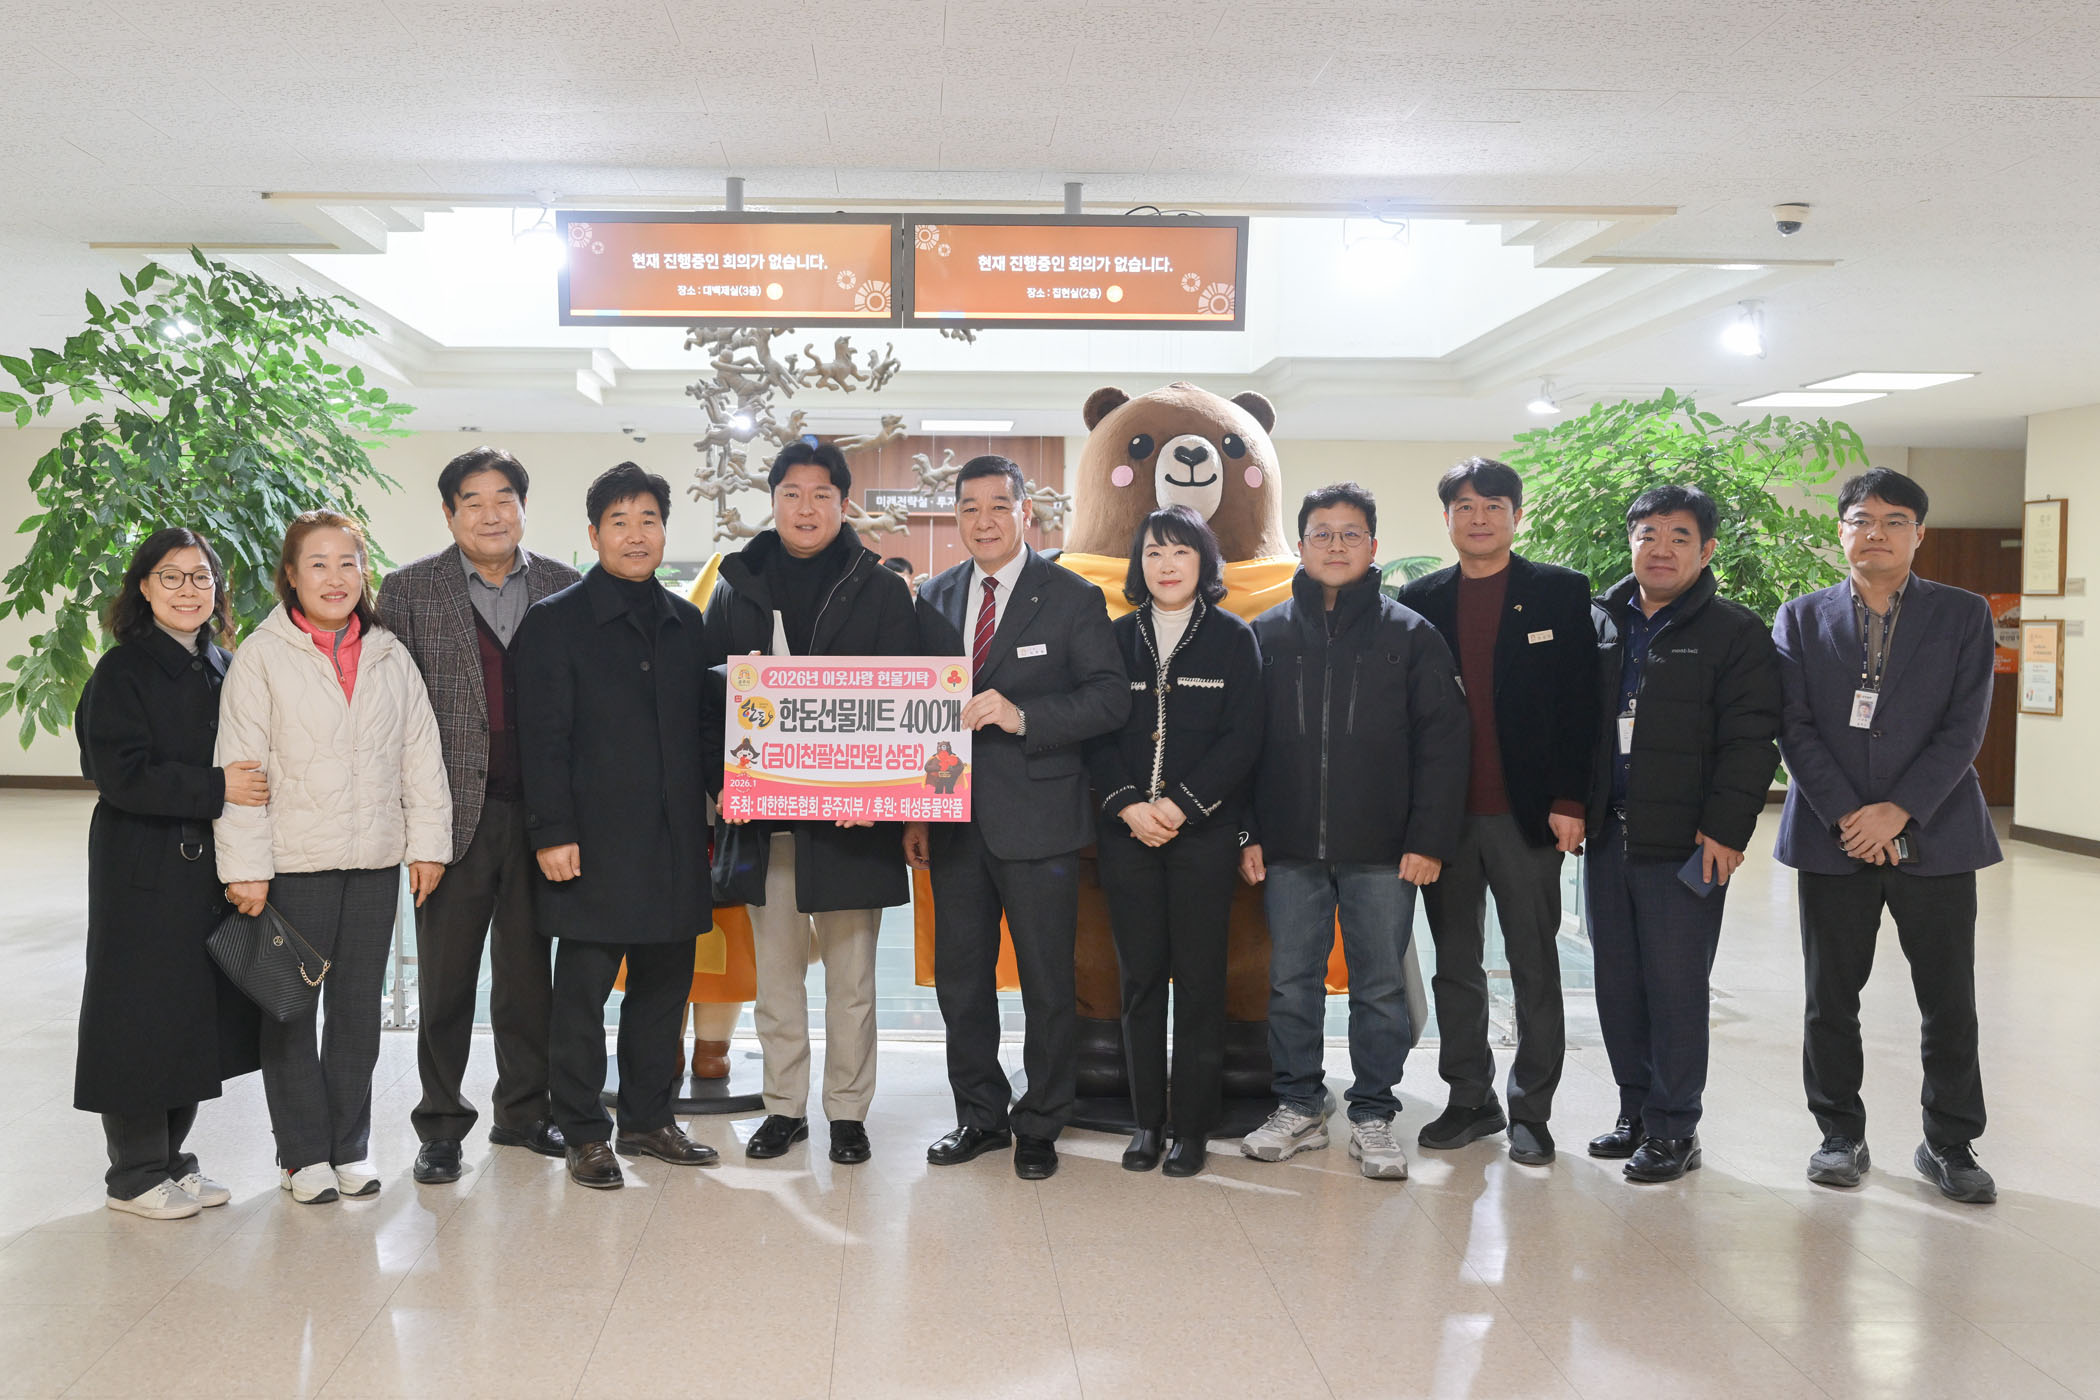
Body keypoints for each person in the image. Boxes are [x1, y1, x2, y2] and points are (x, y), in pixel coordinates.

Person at [1774, 468, 2000, 1203]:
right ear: (1840, 530)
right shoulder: (1799, 618)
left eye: (1894, 520)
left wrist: (1898, 810)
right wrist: (1851, 814)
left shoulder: (1963, 614)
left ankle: (1950, 1143)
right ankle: (1839, 1134)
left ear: (1918, 533)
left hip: (1937, 833)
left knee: (1949, 999)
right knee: (1830, 999)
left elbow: (1964, 727)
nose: (1876, 532)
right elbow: (1794, 727)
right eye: (1861, 519)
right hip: (1831, 837)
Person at [216, 512, 453, 1204]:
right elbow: (240, 765)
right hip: (293, 864)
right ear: (290, 575)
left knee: (356, 1013)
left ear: (364, 573)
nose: (334, 577)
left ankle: (349, 1145)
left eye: (347, 562)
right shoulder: (262, 655)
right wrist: (245, 867)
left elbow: (420, 756)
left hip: (373, 861)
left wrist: (428, 845)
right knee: (290, 1010)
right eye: (317, 564)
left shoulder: (389, 653)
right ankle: (301, 1155)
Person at [905, 454, 1129, 1180]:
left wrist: (1022, 714)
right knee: (961, 981)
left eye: (998, 506)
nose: (984, 521)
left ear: (1025, 512)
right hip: (952, 819)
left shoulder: (1071, 596)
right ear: (956, 517)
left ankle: (1040, 1121)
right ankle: (979, 1116)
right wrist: (915, 809)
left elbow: (1109, 698)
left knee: (1046, 983)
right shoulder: (934, 596)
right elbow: (918, 709)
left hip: (1040, 820)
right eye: (969, 508)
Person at [1239, 482, 1469, 1180]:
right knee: (1291, 982)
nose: (1335, 545)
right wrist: (1248, 832)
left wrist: (1428, 840)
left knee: (1379, 986)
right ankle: (1300, 1105)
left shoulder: (1411, 636)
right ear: (1300, 544)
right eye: (1322, 533)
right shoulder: (1267, 635)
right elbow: (1240, 747)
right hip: (1288, 847)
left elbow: (1444, 745)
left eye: (1349, 534)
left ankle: (1372, 1112)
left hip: (1384, 850)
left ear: (1373, 546)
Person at [700, 441, 917, 1166]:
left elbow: (904, 702)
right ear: (773, 501)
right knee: (778, 979)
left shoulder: (879, 589)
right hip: (767, 823)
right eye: (791, 493)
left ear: (843, 504)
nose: (806, 507)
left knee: (852, 982)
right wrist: (722, 785)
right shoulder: (736, 586)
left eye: (822, 494)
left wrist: (882, 792)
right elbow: (708, 701)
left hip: (854, 823)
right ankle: (784, 1108)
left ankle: (848, 1112)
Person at [377, 447, 581, 1187]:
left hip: (540, 818)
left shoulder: (563, 584)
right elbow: (389, 714)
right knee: (446, 981)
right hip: (449, 819)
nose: (491, 514)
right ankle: (440, 1125)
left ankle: (523, 1112)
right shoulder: (408, 591)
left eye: (504, 499)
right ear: (449, 512)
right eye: (473, 501)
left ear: (523, 508)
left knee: (528, 980)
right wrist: (411, 827)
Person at [513, 463, 720, 1189]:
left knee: (663, 992)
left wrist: (735, 793)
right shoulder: (555, 622)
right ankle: (583, 1132)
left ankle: (647, 1120)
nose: (636, 536)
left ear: (664, 531)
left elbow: (707, 731)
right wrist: (550, 832)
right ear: (594, 532)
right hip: (590, 846)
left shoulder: (686, 622)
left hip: (674, 843)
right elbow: (541, 739)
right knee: (581, 998)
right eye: (620, 522)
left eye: (649, 521)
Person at [1396, 459, 1597, 1166]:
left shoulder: (1559, 592)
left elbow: (1582, 702)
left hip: (1528, 814)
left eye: (1493, 506)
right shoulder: (1421, 598)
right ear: (1447, 518)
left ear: (1517, 515)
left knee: (1534, 962)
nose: (1478, 518)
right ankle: (1469, 1098)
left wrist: (1571, 800)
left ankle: (1532, 1111)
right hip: (1446, 818)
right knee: (1455, 966)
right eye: (1465, 506)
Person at [1584, 484, 1781, 1183]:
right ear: (1630, 542)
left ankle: (1675, 1129)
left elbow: (1751, 741)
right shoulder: (1599, 621)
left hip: (1688, 845)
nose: (1660, 549)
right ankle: (1635, 1113)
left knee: (1675, 990)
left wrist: (1725, 830)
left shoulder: (1735, 632)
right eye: (1648, 534)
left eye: (1679, 536)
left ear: (1707, 549)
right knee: (1618, 985)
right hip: (1608, 836)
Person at [74, 529, 265, 1219]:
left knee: (190, 1017)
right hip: (143, 868)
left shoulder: (225, 664)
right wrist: (216, 787)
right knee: (139, 1017)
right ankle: (133, 1174)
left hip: (208, 868)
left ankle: (171, 1161)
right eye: (171, 576)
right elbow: (118, 774)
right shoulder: (122, 670)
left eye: (201, 576)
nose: (189, 590)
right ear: (144, 587)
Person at [1084, 506, 1262, 1178]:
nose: (1166, 565)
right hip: (1127, 836)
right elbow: (1097, 732)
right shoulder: (1114, 637)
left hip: (1202, 837)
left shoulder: (1233, 638)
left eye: (1181, 552)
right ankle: (1146, 1123)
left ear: (1203, 562)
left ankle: (1191, 1127)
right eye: (1154, 552)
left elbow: (1244, 738)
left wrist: (1180, 806)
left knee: (1199, 982)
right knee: (1137, 982)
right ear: (1139, 564)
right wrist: (1129, 806)